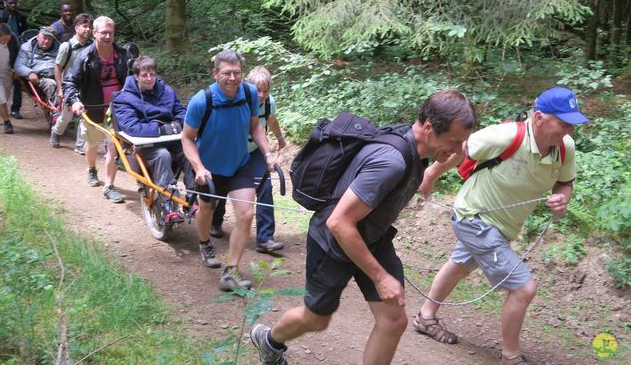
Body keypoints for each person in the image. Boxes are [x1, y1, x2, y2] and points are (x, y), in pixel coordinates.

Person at [251, 89, 477, 365]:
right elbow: (339, 222)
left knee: (393, 321)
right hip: (333, 243)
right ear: (429, 126)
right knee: (316, 319)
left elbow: (459, 149)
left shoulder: (419, 144)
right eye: (453, 142)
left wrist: (431, 173)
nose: (457, 150)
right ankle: (270, 340)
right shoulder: (391, 162)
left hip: (372, 238)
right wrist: (381, 278)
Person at [412, 86, 588, 365]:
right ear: (539, 117)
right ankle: (510, 356)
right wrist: (430, 175)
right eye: (564, 123)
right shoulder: (506, 135)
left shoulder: (565, 148)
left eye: (573, 124)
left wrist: (562, 198)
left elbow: (565, 182)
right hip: (474, 219)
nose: (569, 130)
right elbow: (460, 147)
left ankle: (425, 316)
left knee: (459, 265)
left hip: (501, 227)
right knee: (523, 288)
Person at [181, 49, 277, 292]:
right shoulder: (201, 101)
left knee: (245, 214)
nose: (232, 78)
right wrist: (199, 167)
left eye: (237, 73)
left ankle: (231, 272)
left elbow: (256, 127)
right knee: (206, 210)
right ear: (215, 73)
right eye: (226, 73)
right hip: (210, 169)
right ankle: (204, 243)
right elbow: (187, 138)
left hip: (239, 164)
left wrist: (267, 153)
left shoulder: (248, 93)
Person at [111, 55, 196, 224]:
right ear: (136, 76)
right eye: (144, 75)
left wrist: (180, 123)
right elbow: (131, 126)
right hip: (146, 143)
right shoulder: (123, 99)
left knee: (191, 152)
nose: (149, 78)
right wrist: (160, 130)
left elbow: (180, 110)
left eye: (152, 74)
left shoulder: (166, 91)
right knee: (162, 155)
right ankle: (168, 204)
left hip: (172, 137)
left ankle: (194, 198)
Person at [63, 16, 132, 203]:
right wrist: (75, 101)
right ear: (94, 33)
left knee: (113, 145)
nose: (108, 36)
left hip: (116, 110)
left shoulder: (124, 56)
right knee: (92, 144)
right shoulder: (84, 57)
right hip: (92, 110)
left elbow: (132, 80)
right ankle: (92, 169)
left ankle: (109, 186)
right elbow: (69, 81)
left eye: (111, 32)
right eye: (104, 32)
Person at [245, 66, 287, 253]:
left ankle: (265, 238)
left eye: (265, 90)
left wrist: (279, 137)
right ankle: (215, 221)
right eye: (257, 90)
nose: (261, 95)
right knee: (221, 187)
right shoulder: (238, 102)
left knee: (265, 187)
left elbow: (271, 120)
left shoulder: (269, 103)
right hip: (231, 151)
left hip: (256, 150)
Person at [50, 13, 93, 150]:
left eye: (90, 27)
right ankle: (56, 132)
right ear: (76, 27)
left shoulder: (93, 46)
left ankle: (80, 145)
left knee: (84, 115)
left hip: (86, 86)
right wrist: (60, 89)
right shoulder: (66, 46)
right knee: (67, 116)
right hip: (70, 86)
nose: (88, 29)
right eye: (84, 26)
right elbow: (58, 68)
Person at [0, 0, 28, 119]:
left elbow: (25, 33)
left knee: (18, 78)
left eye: (15, 3)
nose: (13, 5)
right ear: (4, 3)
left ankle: (15, 109)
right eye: (10, 2)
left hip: (16, 50)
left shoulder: (21, 17)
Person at [14, 26, 59, 105]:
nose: (46, 41)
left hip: (57, 74)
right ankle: (56, 111)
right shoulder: (26, 47)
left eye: (50, 39)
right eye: (44, 38)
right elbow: (18, 65)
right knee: (51, 84)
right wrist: (29, 73)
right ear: (38, 37)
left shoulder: (60, 48)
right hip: (39, 77)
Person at [0, 23, 19, 134]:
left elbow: (18, 54)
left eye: (8, 39)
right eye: (4, 40)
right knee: (1, 98)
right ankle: (7, 122)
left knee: (5, 97)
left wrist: (16, 69)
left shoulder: (13, 39)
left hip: (8, 73)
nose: (6, 42)